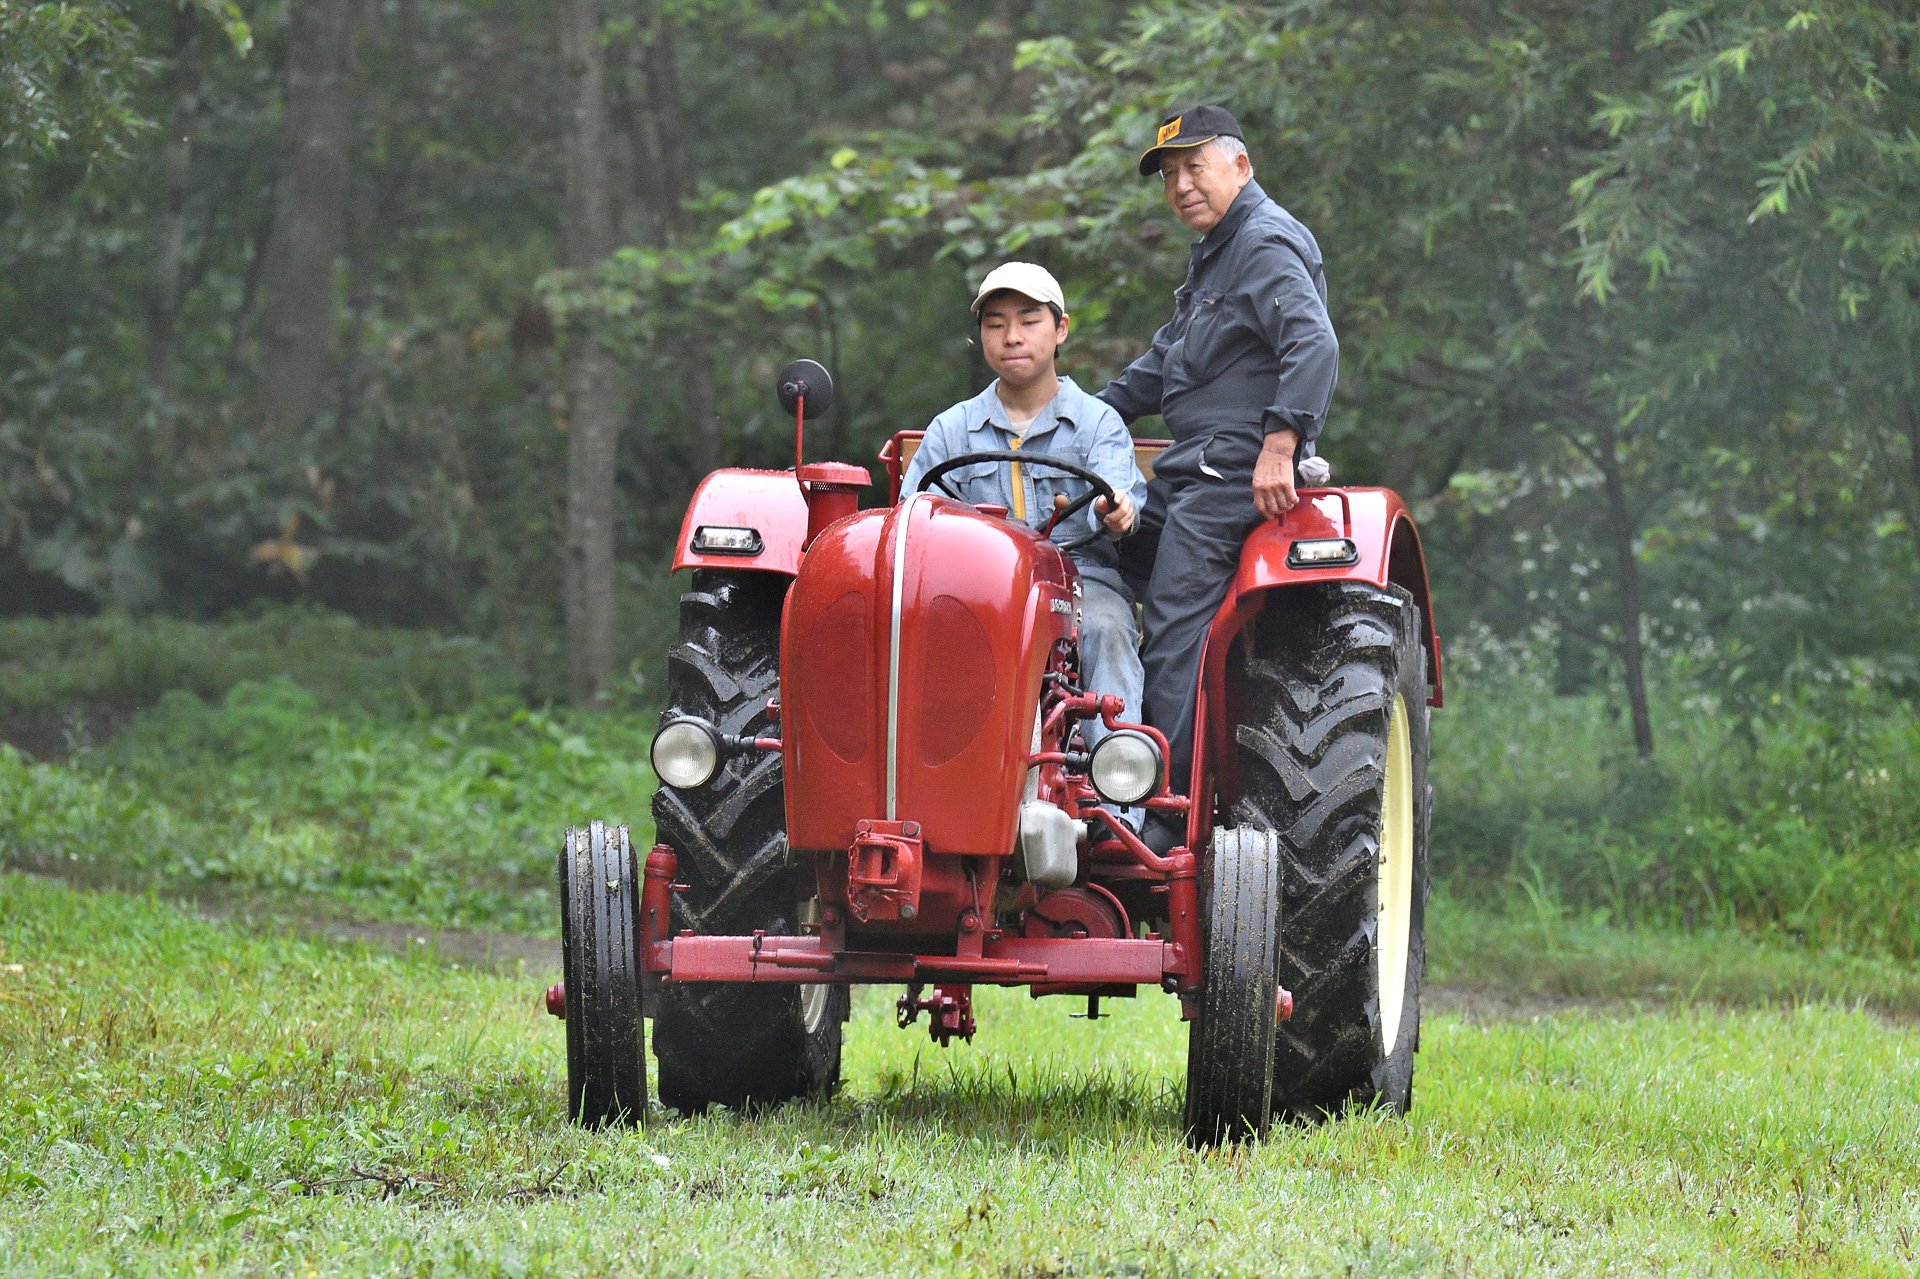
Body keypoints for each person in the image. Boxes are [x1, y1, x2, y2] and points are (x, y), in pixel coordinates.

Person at [1097, 106, 1340, 851]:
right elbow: (1158, 365)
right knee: (1086, 556)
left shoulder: (1262, 242)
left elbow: (1314, 341)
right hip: (1188, 465)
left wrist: (1281, 442)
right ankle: (1078, 768)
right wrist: (1069, 416)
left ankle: (1158, 814)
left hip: (1231, 466)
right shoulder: (1215, 255)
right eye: (1169, 174)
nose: (1179, 186)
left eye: (1193, 166)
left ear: (1241, 164)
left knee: (1174, 618)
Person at [902, 262, 1150, 822]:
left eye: (1028, 321)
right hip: (978, 589)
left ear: (1060, 329)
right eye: (995, 324)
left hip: (1079, 577)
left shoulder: (1097, 423)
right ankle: (932, 796)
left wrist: (1119, 509)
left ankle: (1120, 801)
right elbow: (912, 512)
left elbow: (1121, 495)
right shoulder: (951, 430)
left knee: (1110, 629)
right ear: (981, 338)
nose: (1012, 337)